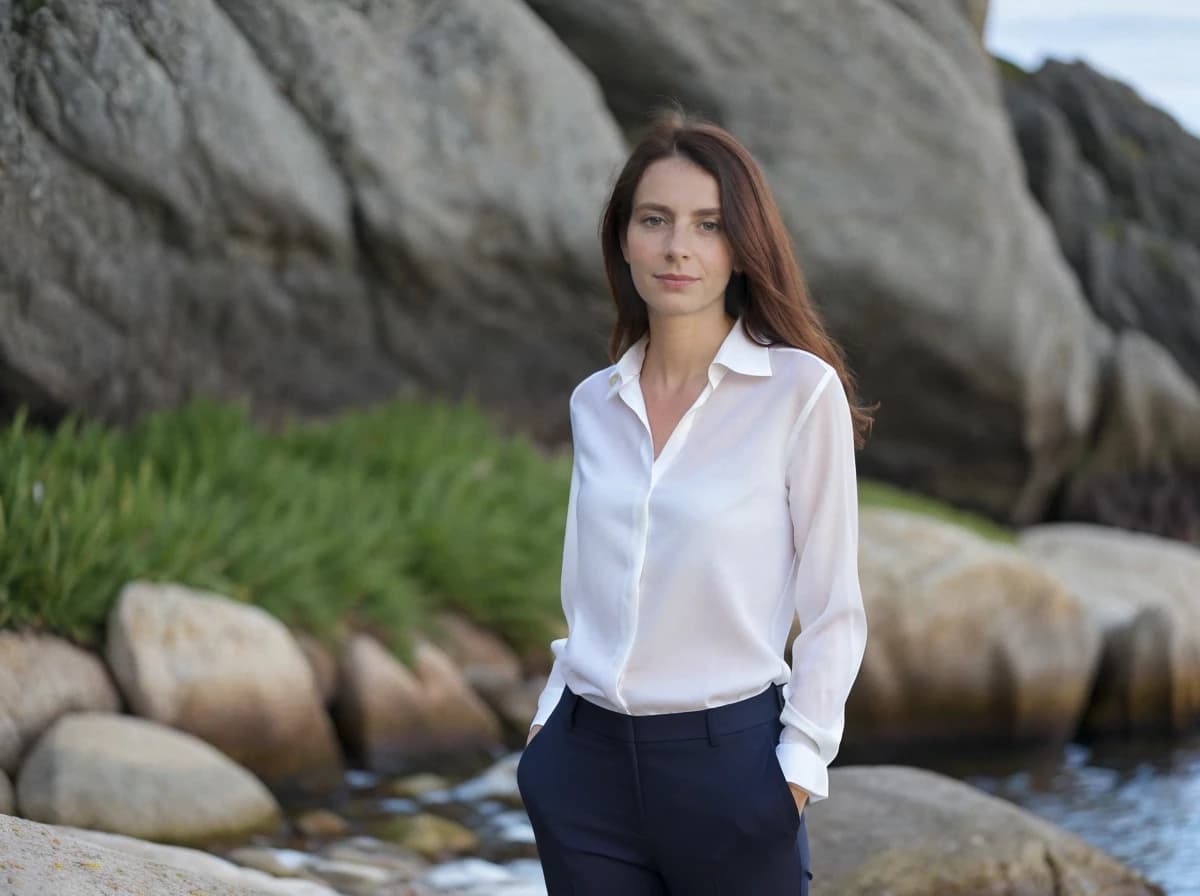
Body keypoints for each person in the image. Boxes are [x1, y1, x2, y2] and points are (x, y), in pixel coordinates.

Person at [517, 108, 874, 896]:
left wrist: (796, 769)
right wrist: (547, 732)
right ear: (623, 237)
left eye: (708, 225)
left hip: (732, 771)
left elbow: (833, 609)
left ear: (743, 247)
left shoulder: (798, 393)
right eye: (656, 220)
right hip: (583, 770)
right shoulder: (594, 402)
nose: (678, 246)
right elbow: (587, 597)